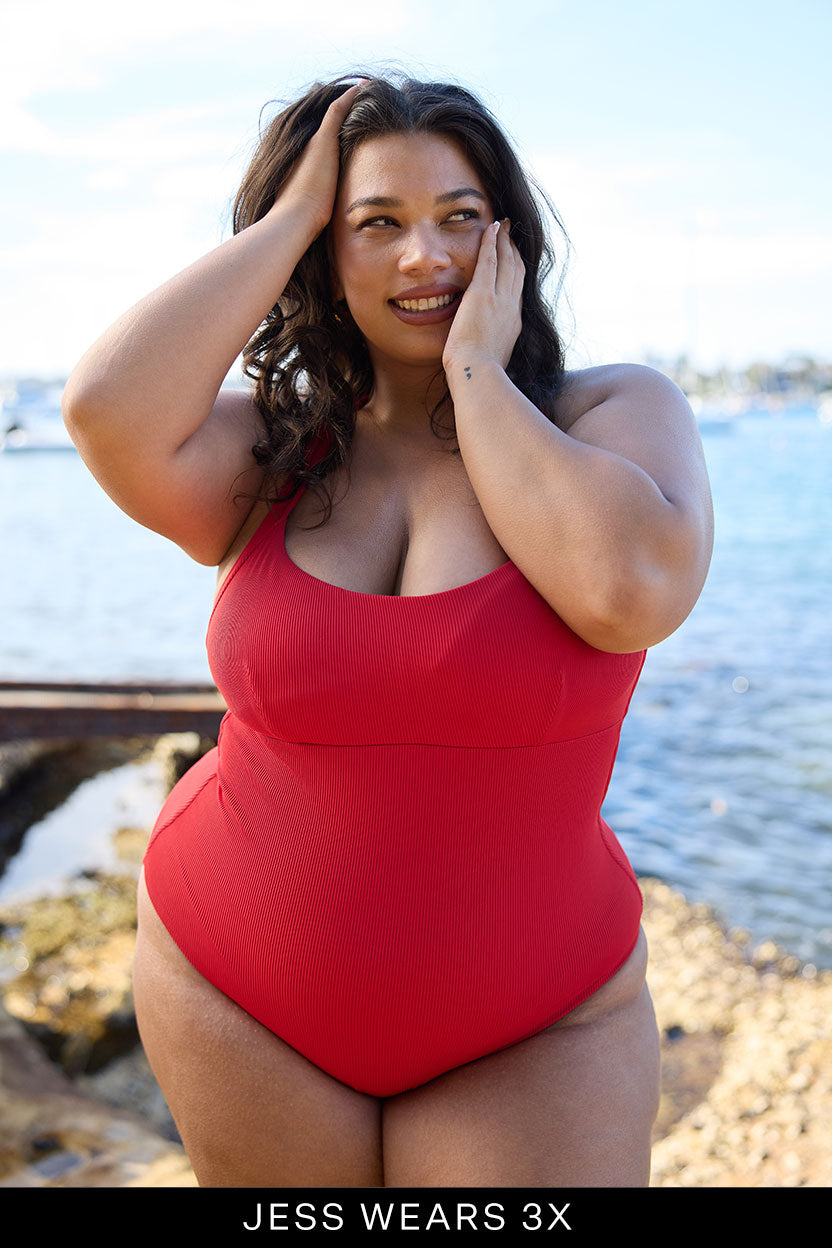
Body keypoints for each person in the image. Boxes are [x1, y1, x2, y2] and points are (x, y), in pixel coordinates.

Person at [62, 71, 713, 1188]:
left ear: (507, 237)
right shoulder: (274, 453)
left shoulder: (606, 416)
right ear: (322, 252)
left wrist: (477, 372)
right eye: (378, 224)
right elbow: (104, 413)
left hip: (534, 1023)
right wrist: (288, 218)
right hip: (236, 991)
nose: (427, 257)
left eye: (460, 218)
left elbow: (628, 594)